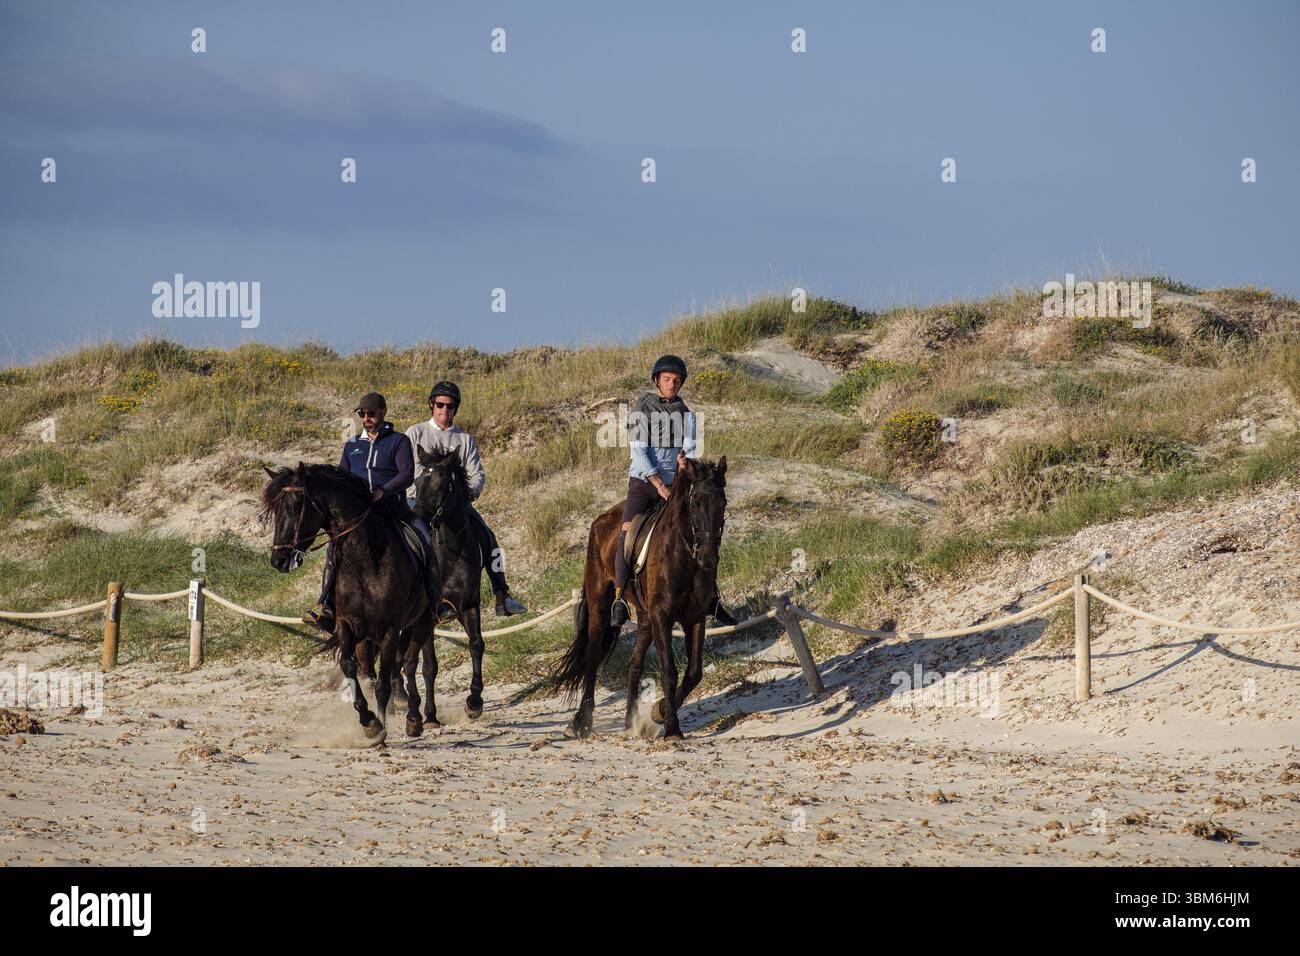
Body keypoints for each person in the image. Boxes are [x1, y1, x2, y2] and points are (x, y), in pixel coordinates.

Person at [609, 355, 738, 629]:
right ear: (657, 381)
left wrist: (685, 463)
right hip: (645, 482)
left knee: (702, 530)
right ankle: (620, 596)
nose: (672, 384)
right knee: (626, 531)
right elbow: (638, 451)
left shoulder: (686, 414)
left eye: (676, 380)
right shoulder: (642, 407)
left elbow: (690, 449)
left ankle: (712, 597)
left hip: (676, 482)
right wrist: (659, 485)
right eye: (667, 379)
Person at [302, 392, 438, 631]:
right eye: (362, 414)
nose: (366, 418)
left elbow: (406, 475)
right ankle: (328, 606)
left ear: (383, 413)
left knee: (424, 537)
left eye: (371, 413)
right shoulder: (352, 444)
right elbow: (341, 477)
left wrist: (383, 492)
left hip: (391, 508)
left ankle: (435, 600)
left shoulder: (399, 441)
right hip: (358, 515)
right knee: (334, 549)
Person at [405, 380, 528, 619]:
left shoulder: (464, 439)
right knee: (407, 542)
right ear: (432, 405)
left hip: (454, 505)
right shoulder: (415, 433)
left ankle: (502, 593)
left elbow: (476, 473)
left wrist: (471, 493)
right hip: (420, 502)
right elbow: (408, 469)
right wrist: (417, 495)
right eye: (440, 405)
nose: (444, 410)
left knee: (489, 538)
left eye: (450, 406)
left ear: (455, 409)